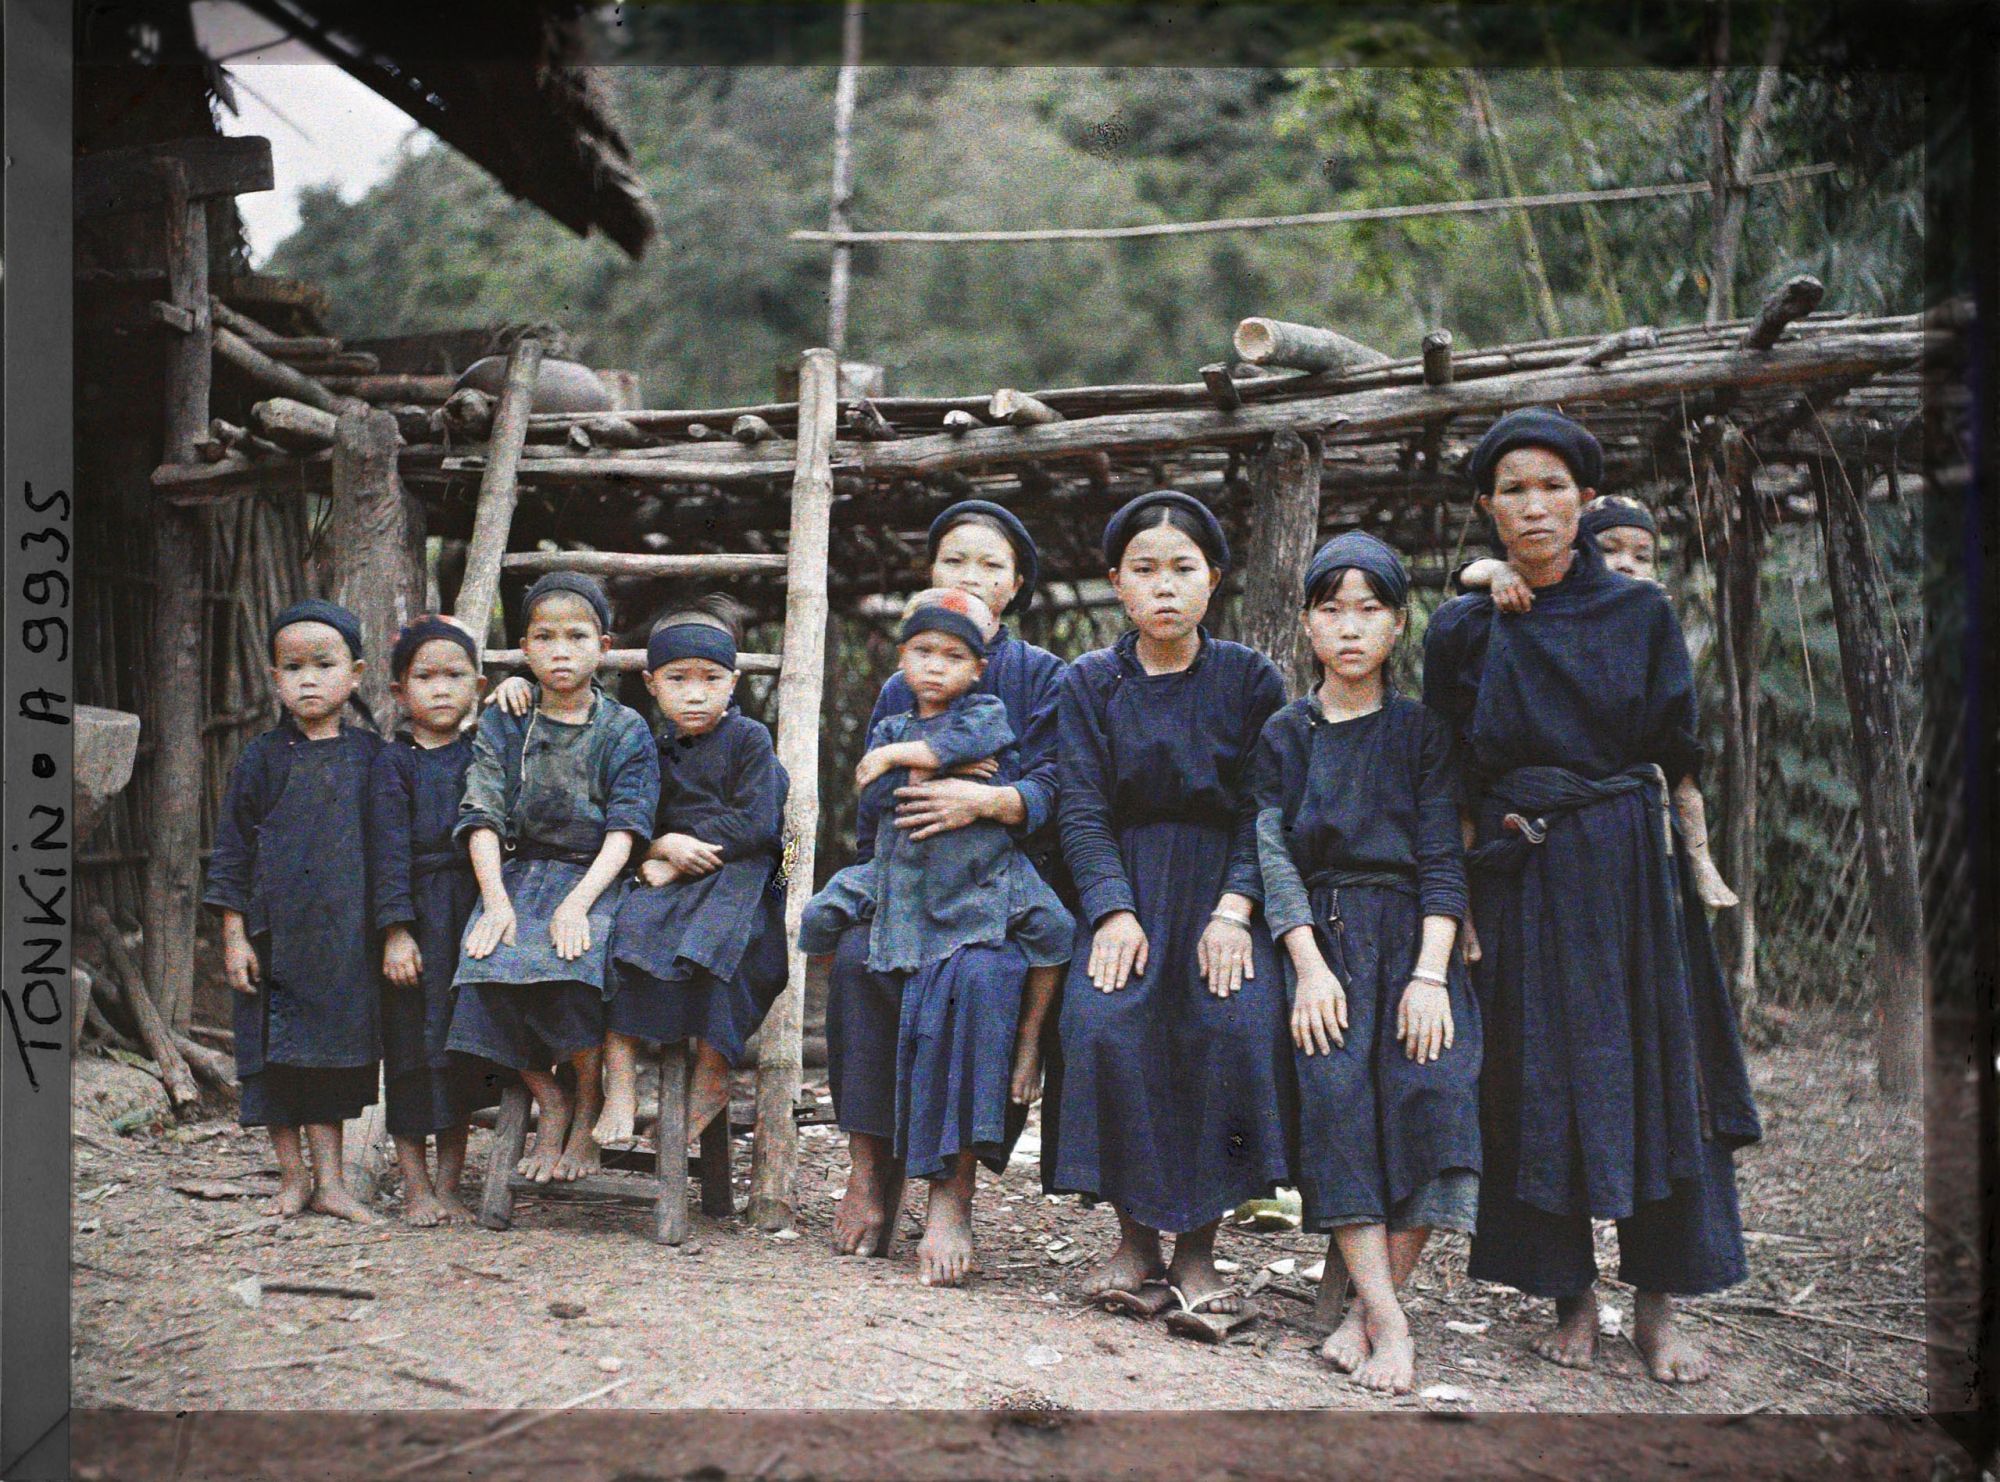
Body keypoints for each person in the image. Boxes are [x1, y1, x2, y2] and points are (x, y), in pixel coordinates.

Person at [1423, 408, 1761, 1384]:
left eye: (1552, 487)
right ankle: (1570, 1297)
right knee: (1539, 1080)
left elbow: (1675, 756)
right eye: (1513, 489)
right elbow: (1451, 778)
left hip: (1626, 875)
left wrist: (1688, 870)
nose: (1534, 506)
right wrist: (1468, 913)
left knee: (1661, 1076)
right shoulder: (1461, 628)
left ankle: (1655, 1308)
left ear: (1580, 499)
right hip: (1521, 875)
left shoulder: (1637, 614)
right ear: (1486, 506)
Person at [1050, 490, 1293, 1340]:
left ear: (1214, 581)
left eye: (1183, 570)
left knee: (1231, 1022)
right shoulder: (1089, 682)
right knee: (1103, 1022)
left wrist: (1235, 909)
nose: (1164, 587)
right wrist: (1111, 911)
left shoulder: (1248, 680)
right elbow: (1078, 808)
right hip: (1125, 883)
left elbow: (1266, 807)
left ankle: (1198, 1246)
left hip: (1225, 886)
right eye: (1144, 571)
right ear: (1116, 583)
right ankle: (1132, 1242)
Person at [1251, 532, 1480, 1394]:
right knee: (1338, 1099)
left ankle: (1364, 1308)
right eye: (1331, 609)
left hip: (1414, 938)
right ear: (1307, 622)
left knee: (1440, 1089)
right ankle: (1390, 1320)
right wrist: (1307, 964)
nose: (1350, 628)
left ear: (1398, 623)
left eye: (1370, 608)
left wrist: (1432, 975)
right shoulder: (1286, 733)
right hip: (1325, 936)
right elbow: (1273, 853)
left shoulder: (1422, 732)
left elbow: (1441, 859)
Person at [802, 588, 1074, 1287]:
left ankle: (952, 1191)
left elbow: (988, 749)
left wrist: (920, 763)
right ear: (902, 658)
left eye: (953, 657)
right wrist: (919, 767)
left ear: (980, 666)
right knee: (843, 948)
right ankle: (868, 1168)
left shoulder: (994, 705)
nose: (935, 668)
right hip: (902, 877)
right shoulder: (891, 715)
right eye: (922, 653)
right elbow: (867, 804)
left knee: (1006, 960)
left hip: (983, 874)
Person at [446, 572, 660, 1184]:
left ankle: (588, 1100)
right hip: (517, 873)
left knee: (576, 968)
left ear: (604, 646)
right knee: (482, 969)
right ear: (524, 648)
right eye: (544, 637)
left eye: (576, 636)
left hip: (596, 876)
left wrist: (578, 903)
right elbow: (481, 811)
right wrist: (494, 901)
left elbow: (626, 828)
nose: (560, 650)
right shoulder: (507, 719)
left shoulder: (624, 730)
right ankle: (550, 1097)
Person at [1454, 494, 1738, 908]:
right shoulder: (1536, 603)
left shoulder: (1650, 615)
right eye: (1608, 550)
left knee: (1684, 763)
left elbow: (1676, 733)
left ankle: (1700, 857)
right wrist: (1499, 572)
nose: (1627, 563)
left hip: (1627, 801)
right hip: (1543, 799)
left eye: (1642, 556)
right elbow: (1470, 573)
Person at [203, 598, 384, 1224]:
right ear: (275, 678)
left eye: (323, 664)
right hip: (270, 937)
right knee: (270, 1060)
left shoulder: (371, 758)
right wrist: (234, 934)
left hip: (340, 940)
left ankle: (332, 1184)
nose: (308, 679)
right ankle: (292, 1178)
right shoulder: (260, 757)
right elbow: (230, 849)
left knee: (329, 1060)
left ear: (355, 675)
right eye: (292, 667)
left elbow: (386, 850)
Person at [593, 601, 790, 1151]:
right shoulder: (649, 750)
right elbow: (630, 814)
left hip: (742, 876)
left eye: (711, 679)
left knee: (725, 947)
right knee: (621, 933)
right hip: (673, 877)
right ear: (652, 685)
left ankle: (711, 1079)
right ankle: (622, 1084)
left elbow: (762, 824)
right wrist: (660, 846)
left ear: (734, 682)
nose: (696, 693)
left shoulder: (751, 740)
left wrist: (687, 852)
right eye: (678, 680)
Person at [367, 615, 496, 1226]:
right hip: (416, 919)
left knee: (459, 1054)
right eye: (425, 677)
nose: (441, 689)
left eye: (455, 676)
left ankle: (451, 1187)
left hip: (472, 913)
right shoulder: (391, 765)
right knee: (411, 1053)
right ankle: (415, 1186)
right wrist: (395, 930)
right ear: (398, 692)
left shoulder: (485, 752)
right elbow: (386, 850)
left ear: (478, 684)